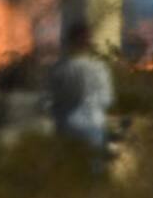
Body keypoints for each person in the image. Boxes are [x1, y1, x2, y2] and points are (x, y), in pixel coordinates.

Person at [47, 23, 114, 157]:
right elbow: (107, 99)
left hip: (66, 125)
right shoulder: (99, 68)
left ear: (69, 42)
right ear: (88, 43)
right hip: (93, 125)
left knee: (69, 166)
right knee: (93, 165)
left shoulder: (59, 69)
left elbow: (48, 100)